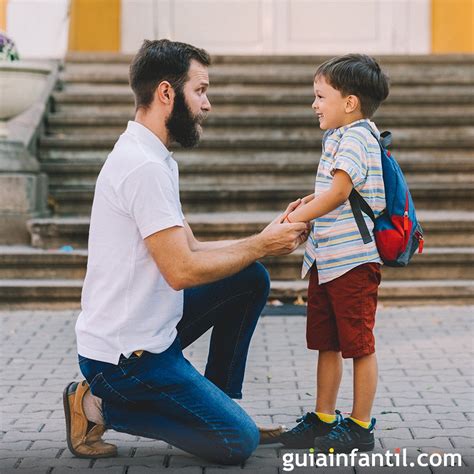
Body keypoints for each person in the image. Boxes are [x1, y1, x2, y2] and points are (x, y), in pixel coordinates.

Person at [62, 39, 308, 464]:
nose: (207, 104)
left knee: (249, 278)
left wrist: (263, 239)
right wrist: (261, 245)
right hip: (124, 361)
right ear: (166, 93)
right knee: (236, 444)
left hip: (152, 331)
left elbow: (190, 247)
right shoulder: (143, 167)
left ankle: (221, 403)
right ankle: (96, 405)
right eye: (201, 90)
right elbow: (182, 271)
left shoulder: (154, 157)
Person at [278, 54, 389, 453]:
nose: (314, 104)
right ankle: (324, 417)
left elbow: (341, 193)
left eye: (320, 95)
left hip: (353, 262)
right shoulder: (338, 136)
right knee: (327, 341)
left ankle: (360, 427)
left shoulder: (359, 135)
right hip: (327, 260)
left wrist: (294, 223)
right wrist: (306, 203)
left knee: (359, 344)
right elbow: (334, 191)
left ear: (350, 102)